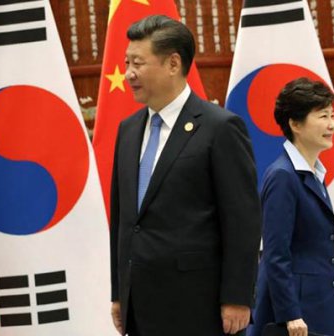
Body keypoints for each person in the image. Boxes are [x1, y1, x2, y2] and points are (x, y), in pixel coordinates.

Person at [109, 15, 261, 336]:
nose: (128, 74)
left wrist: (237, 297)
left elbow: (242, 219)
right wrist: (118, 291)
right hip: (139, 303)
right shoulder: (128, 130)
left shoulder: (220, 128)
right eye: (126, 63)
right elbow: (123, 219)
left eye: (138, 63)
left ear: (173, 63)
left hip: (197, 303)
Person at [248, 78, 334, 336]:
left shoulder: (313, 174)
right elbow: (275, 252)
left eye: (331, 115)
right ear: (295, 124)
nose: (331, 125)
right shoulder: (283, 176)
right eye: (322, 116)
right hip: (297, 317)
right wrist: (290, 314)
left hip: (322, 306)